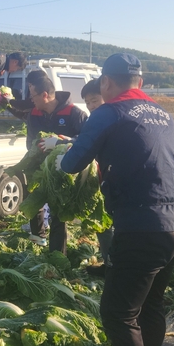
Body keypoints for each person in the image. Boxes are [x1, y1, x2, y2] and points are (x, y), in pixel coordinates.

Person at [59, 53, 174, 346]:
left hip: (141, 227)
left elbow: (72, 163)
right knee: (151, 304)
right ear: (140, 83)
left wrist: (58, 156)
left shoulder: (109, 112)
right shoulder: (163, 114)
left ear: (105, 83)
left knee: (118, 313)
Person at [23, 75, 88, 252]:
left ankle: (57, 255)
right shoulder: (34, 114)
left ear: (44, 95)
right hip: (39, 168)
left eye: (33, 95)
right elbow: (30, 142)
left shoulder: (74, 113)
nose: (31, 99)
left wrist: (63, 142)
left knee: (59, 212)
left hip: (63, 171)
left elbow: (86, 140)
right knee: (34, 201)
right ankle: (38, 239)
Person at [80, 78, 112, 276]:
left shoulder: (111, 118)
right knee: (102, 222)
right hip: (101, 178)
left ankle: (115, 266)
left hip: (114, 179)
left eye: (94, 100)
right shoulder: (93, 119)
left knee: (111, 223)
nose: (91, 106)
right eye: (87, 103)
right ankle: (109, 263)